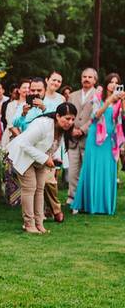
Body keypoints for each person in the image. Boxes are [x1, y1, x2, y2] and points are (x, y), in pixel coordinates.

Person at [7, 103, 77, 234]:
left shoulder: (62, 130)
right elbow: (23, 144)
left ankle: (39, 224)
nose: (70, 122)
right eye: (67, 118)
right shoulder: (43, 124)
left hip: (38, 160)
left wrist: (54, 158)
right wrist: (45, 159)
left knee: (40, 189)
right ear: (57, 116)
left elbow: (50, 146)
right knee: (30, 188)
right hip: (23, 157)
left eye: (73, 119)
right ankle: (29, 225)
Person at [72, 75, 123, 216]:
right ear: (106, 83)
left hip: (111, 139)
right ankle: (87, 204)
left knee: (107, 169)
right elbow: (95, 116)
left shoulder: (119, 101)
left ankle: (105, 206)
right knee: (91, 168)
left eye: (116, 83)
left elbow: (123, 117)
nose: (113, 85)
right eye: (111, 82)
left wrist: (122, 101)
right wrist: (108, 101)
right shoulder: (97, 96)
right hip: (96, 136)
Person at [65, 68, 99, 207]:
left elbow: (97, 117)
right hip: (73, 138)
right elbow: (68, 112)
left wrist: (83, 130)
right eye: (84, 76)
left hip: (89, 138)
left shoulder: (98, 95)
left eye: (90, 77)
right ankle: (72, 197)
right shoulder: (73, 95)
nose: (86, 79)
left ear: (95, 80)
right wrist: (72, 129)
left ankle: (86, 199)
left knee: (87, 171)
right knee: (73, 172)